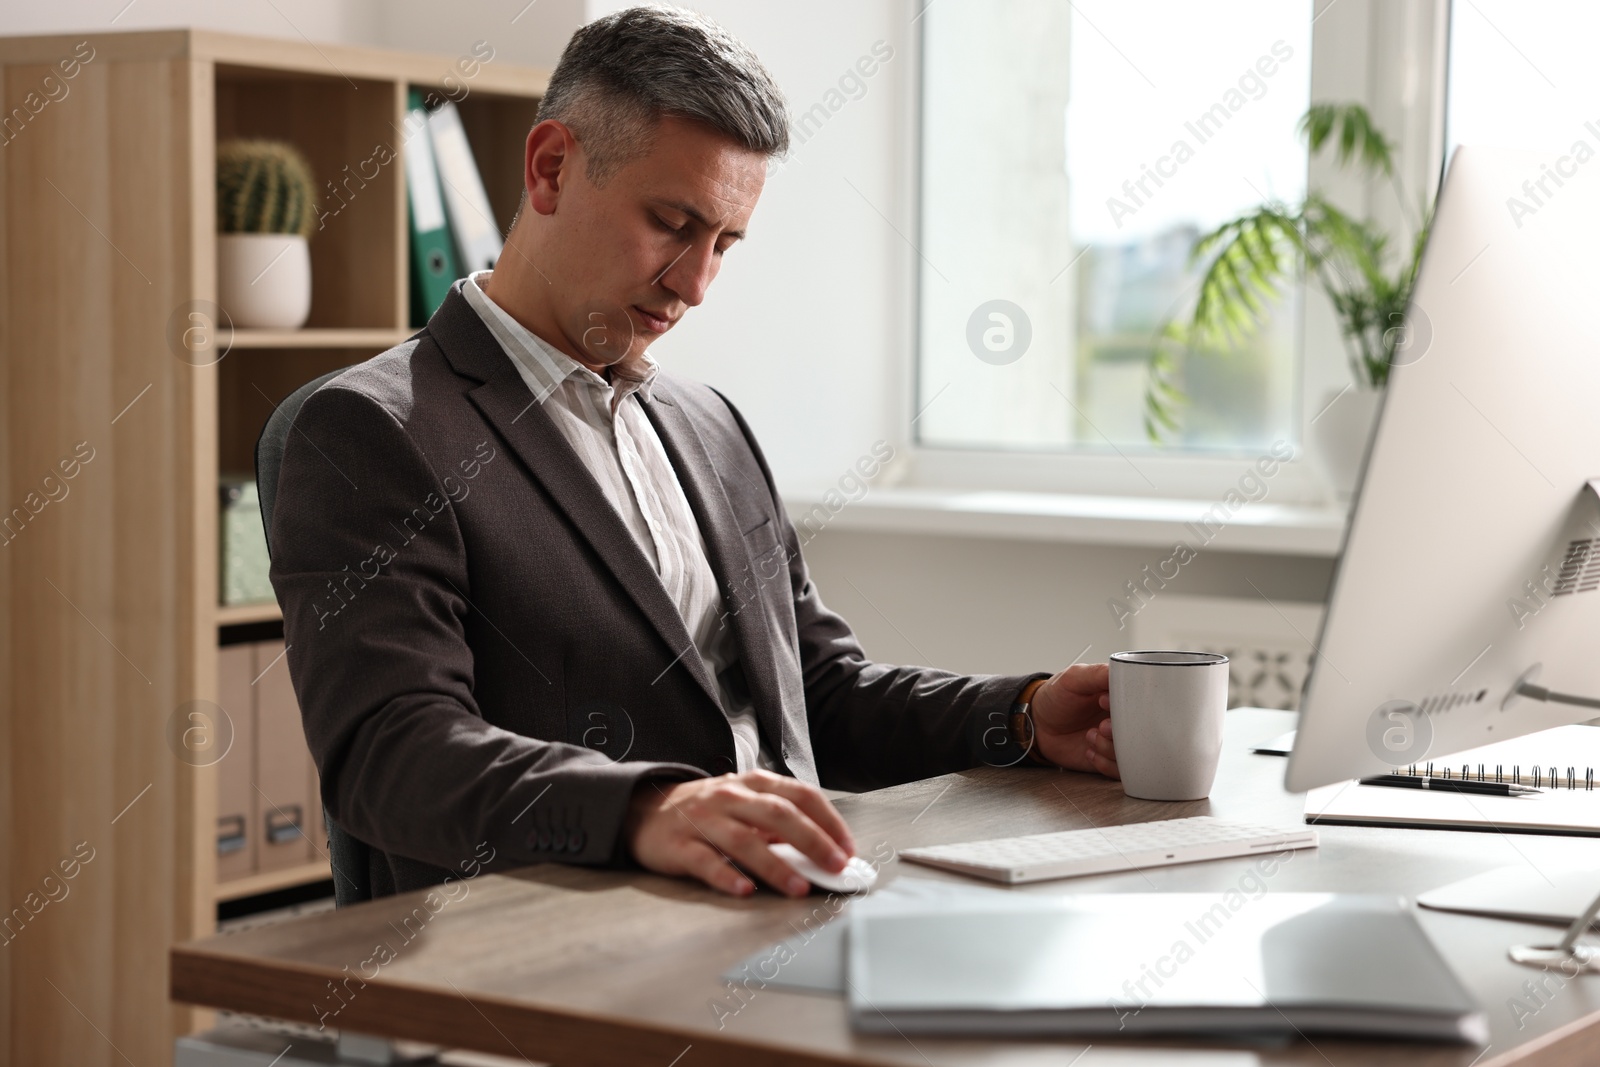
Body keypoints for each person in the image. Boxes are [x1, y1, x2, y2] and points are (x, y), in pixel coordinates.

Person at [268, 5, 1119, 903]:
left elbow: (819, 693)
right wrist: (647, 812)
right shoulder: (374, 429)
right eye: (673, 224)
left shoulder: (708, 424)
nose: (698, 283)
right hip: (560, 947)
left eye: (725, 242)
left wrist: (1022, 716)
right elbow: (392, 752)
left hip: (783, 910)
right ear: (551, 168)